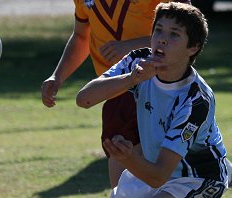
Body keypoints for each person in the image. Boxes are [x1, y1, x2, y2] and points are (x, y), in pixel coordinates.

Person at [76, 2, 229, 197]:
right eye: (158, 30)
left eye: (174, 34)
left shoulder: (195, 100)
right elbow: (84, 99)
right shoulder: (137, 61)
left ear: (193, 47)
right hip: (155, 173)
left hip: (197, 178)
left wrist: (128, 157)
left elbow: (159, 176)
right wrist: (132, 78)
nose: (162, 40)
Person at [41, 0, 190, 188]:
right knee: (122, 172)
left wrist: (132, 46)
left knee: (168, 171)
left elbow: (189, 33)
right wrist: (58, 76)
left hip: (160, 88)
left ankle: (217, 170)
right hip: (116, 93)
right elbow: (81, 37)